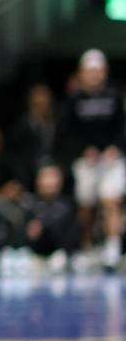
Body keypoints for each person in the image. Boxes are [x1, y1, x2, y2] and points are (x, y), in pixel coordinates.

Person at [57, 49, 125, 271]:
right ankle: (85, 248)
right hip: (86, 162)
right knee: (86, 207)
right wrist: (84, 150)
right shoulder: (74, 100)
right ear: (81, 73)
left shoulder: (114, 96)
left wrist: (115, 148)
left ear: (104, 72)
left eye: (98, 71)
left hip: (111, 160)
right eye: (89, 71)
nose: (94, 75)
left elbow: (122, 127)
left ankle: (112, 249)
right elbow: (66, 133)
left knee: (111, 199)